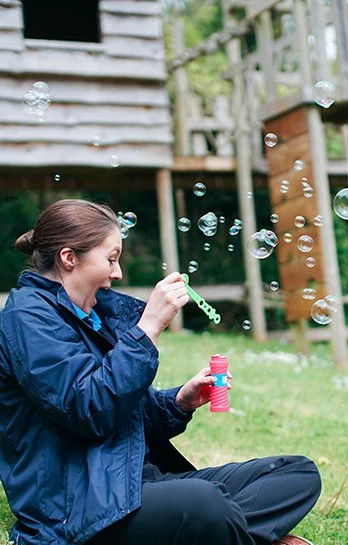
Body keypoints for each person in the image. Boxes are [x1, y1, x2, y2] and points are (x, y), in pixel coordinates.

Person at [0, 199, 321, 545]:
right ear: (69, 258)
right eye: (110, 259)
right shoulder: (27, 318)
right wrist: (148, 327)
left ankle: (219, 532)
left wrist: (179, 402)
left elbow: (127, 412)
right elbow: (89, 409)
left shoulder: (96, 315)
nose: (117, 273)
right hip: (80, 504)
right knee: (208, 504)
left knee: (297, 474)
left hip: (133, 480)